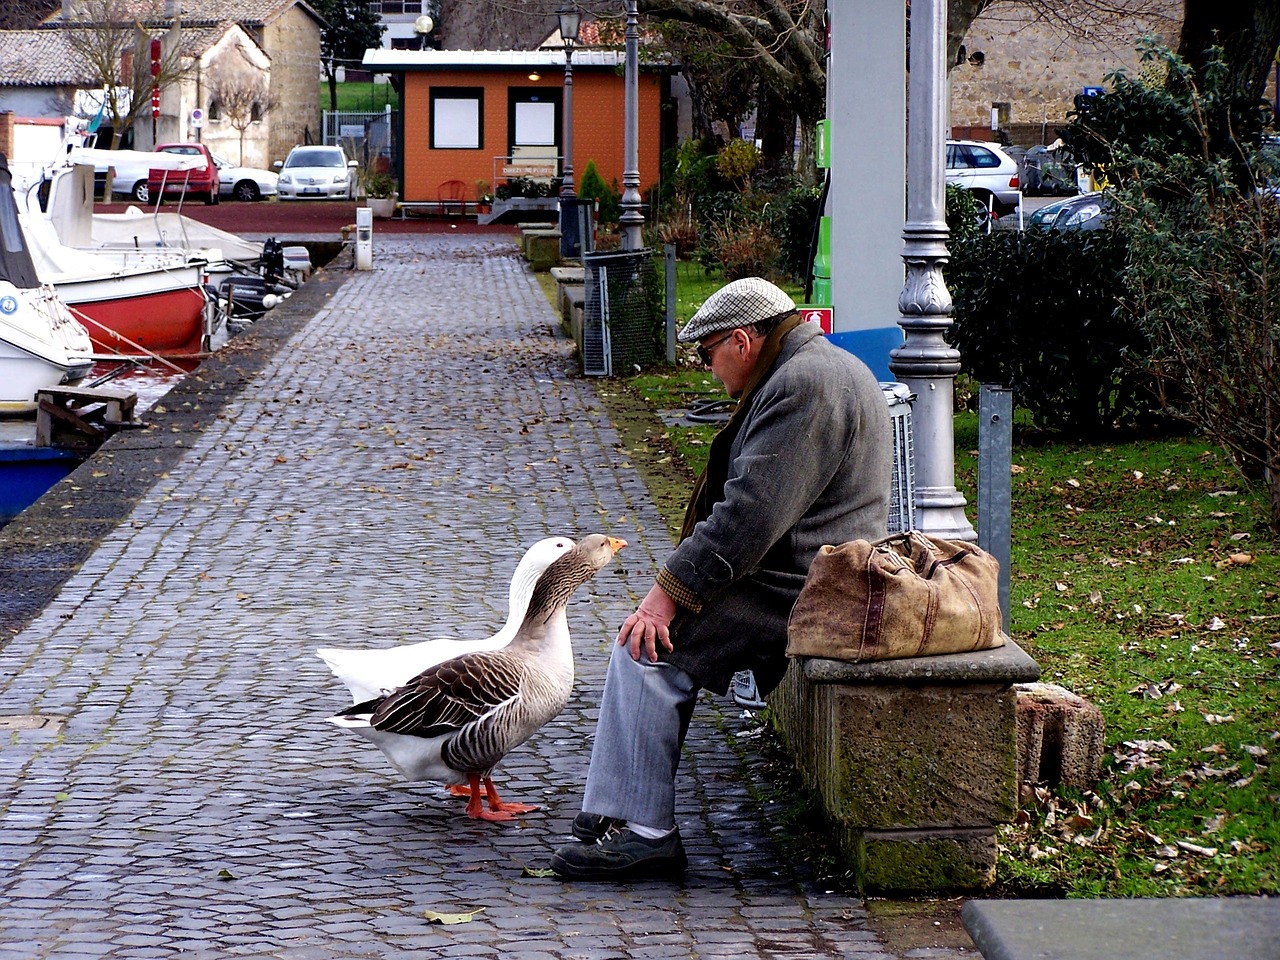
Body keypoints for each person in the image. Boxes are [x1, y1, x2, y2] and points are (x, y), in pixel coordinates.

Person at [550, 277, 894, 880]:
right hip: (807, 570)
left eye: (709, 357)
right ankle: (615, 807)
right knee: (644, 637)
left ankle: (647, 833)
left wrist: (667, 595)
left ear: (741, 340)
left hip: (804, 586)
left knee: (645, 649)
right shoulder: (810, 368)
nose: (710, 373)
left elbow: (747, 521)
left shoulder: (804, 385)